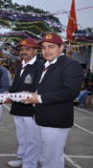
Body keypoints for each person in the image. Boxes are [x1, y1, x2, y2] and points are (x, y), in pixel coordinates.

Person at [24, 33, 83, 168]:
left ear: (61, 48)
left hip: (56, 120)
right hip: (41, 117)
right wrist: (32, 95)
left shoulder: (70, 64)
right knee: (44, 156)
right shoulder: (47, 64)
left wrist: (39, 98)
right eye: (44, 47)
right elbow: (46, 88)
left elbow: (71, 92)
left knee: (52, 160)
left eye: (51, 47)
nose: (46, 51)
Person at [7, 38, 44, 168]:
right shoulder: (20, 65)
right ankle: (22, 157)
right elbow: (15, 86)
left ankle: (30, 164)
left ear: (35, 51)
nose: (23, 52)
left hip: (31, 107)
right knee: (22, 136)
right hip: (18, 106)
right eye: (22, 49)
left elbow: (40, 86)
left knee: (32, 138)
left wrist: (29, 93)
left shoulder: (40, 65)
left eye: (27, 49)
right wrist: (6, 94)